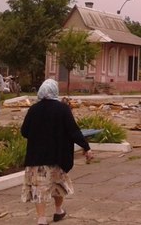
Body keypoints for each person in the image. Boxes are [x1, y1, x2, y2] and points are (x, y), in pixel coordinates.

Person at [21, 78, 93, 224]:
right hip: (57, 157)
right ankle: (58, 211)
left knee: (39, 188)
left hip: (37, 158)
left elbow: (24, 132)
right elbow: (74, 131)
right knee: (58, 185)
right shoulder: (63, 109)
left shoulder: (33, 109)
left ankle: (41, 218)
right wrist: (86, 147)